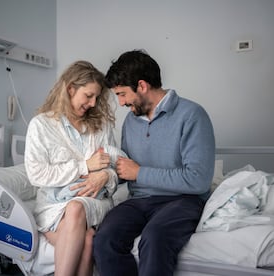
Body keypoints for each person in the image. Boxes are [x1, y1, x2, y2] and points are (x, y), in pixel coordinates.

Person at [93, 50, 215, 275]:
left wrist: (140, 173)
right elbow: (125, 169)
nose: (120, 103)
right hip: (139, 201)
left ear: (141, 85)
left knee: (154, 238)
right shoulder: (131, 121)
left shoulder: (192, 115)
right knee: (104, 238)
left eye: (122, 94)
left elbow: (198, 180)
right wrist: (104, 173)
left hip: (182, 201)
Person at [24, 60, 120, 276]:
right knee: (87, 240)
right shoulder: (41, 125)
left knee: (76, 207)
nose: (94, 103)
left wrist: (105, 175)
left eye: (97, 97)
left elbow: (116, 169)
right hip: (53, 207)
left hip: (95, 202)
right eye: (89, 96)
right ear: (70, 89)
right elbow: (36, 174)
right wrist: (84, 166)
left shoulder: (100, 127)